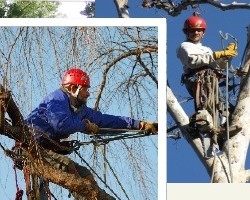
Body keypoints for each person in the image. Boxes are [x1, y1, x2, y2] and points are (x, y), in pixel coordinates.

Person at [23, 67, 157, 199]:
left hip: (46, 151)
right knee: (68, 167)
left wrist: (140, 125)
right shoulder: (57, 99)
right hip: (29, 149)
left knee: (85, 176)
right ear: (73, 89)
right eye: (85, 89)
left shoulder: (81, 110)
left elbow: (106, 121)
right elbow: (61, 124)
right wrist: (84, 126)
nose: (88, 94)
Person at [176, 14, 238, 157]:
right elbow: (193, 61)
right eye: (192, 31)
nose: (196, 33)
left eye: (199, 30)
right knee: (206, 103)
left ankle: (223, 128)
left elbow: (218, 66)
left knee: (221, 105)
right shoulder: (184, 46)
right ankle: (205, 123)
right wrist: (219, 54)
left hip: (211, 79)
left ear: (203, 33)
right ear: (187, 32)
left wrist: (227, 57)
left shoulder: (207, 49)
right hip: (198, 78)